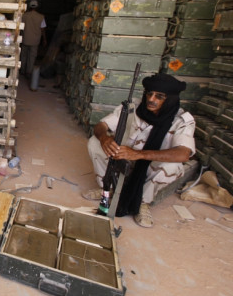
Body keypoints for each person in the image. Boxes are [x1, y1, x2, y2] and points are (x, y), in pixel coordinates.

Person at [83, 73, 195, 228]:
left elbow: (184, 153)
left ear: (170, 99)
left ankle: (142, 202)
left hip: (150, 165)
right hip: (123, 159)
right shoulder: (131, 108)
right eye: (149, 94)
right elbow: (101, 126)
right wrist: (105, 138)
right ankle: (108, 189)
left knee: (173, 165)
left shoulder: (181, 120)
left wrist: (139, 154)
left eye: (159, 96)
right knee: (95, 143)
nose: (151, 99)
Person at [21, 0, 47, 81]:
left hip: (25, 38)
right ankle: (29, 72)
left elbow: (21, 27)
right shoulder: (41, 17)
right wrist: (44, 39)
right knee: (32, 56)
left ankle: (22, 70)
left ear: (29, 6)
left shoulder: (24, 16)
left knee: (23, 55)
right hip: (35, 40)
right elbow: (42, 29)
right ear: (37, 7)